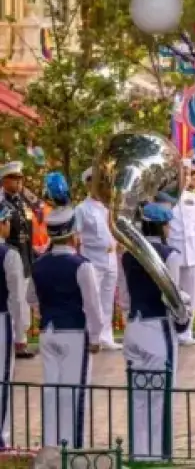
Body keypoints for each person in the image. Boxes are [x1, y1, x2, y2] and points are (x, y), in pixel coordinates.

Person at [119, 201, 190, 459]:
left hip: (133, 325)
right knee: (160, 396)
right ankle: (158, 454)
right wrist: (183, 318)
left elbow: (124, 297)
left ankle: (139, 453)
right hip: (157, 326)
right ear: (161, 227)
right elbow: (171, 296)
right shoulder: (169, 255)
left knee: (138, 396)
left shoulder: (127, 254)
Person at [28, 205, 103, 449]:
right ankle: (71, 448)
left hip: (48, 330)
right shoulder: (81, 265)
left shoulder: (39, 264)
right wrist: (95, 337)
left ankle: (51, 445)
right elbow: (92, 305)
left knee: (52, 389)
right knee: (73, 390)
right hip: (73, 331)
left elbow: (31, 297)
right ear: (73, 233)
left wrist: (47, 307)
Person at [76, 168, 121, 352]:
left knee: (107, 299)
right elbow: (77, 236)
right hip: (92, 258)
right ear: (87, 184)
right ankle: (92, 336)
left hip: (111, 257)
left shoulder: (107, 207)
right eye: (93, 181)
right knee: (92, 300)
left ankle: (106, 336)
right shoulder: (81, 209)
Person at [170, 169, 195, 346]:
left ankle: (187, 331)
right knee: (173, 293)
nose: (184, 178)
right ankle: (173, 330)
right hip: (173, 250)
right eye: (181, 175)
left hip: (191, 251)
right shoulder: (166, 199)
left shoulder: (193, 198)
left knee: (191, 294)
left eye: (186, 175)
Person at [2, 162, 34, 357]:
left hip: (25, 257)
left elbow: (28, 233)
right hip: (11, 257)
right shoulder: (2, 204)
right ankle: (18, 342)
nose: (19, 182)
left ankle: (21, 339)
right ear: (4, 181)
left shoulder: (22, 203)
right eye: (14, 178)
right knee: (16, 301)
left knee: (24, 302)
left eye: (20, 178)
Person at [0, 203, 24, 448]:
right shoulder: (9, 254)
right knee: (2, 378)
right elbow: (16, 297)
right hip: (1, 319)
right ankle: (1, 438)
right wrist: (20, 334)